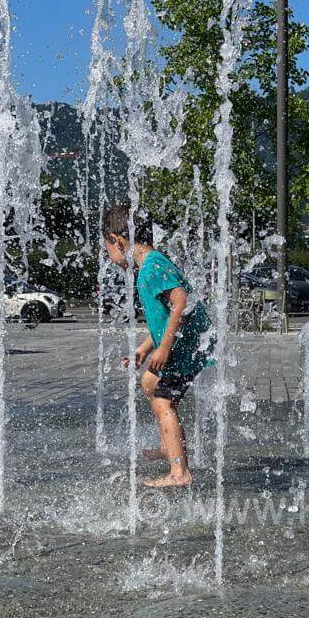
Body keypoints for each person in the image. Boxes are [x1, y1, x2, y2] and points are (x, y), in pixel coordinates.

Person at [102, 204, 213, 489]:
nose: (110, 257)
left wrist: (164, 348)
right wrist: (145, 347)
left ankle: (180, 473)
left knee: (163, 401)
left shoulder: (152, 267)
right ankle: (169, 444)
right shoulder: (151, 265)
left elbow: (180, 303)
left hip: (188, 346)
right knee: (150, 382)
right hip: (182, 341)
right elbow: (165, 319)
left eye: (108, 250)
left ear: (118, 240)